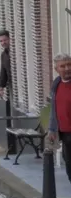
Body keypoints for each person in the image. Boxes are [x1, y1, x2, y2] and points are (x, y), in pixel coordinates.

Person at [48, 53, 71, 186]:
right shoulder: (56, 84)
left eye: (69, 65)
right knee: (69, 165)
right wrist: (52, 129)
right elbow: (54, 108)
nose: (67, 68)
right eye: (63, 66)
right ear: (57, 69)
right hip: (64, 132)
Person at [0, 29, 11, 101]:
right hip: (12, 85)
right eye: (1, 41)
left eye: (5, 40)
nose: (3, 42)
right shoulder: (3, 55)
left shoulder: (14, 52)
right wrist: (1, 87)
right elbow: (3, 71)